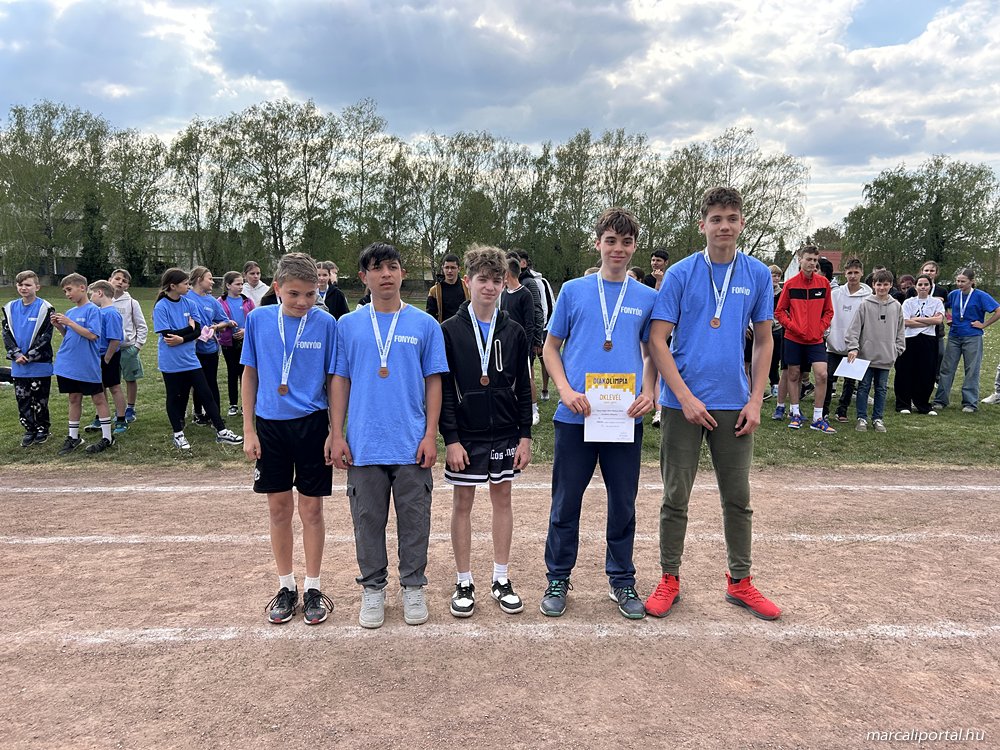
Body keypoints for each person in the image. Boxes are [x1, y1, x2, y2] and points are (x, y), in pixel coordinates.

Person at [643, 186, 780, 621]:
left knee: (738, 498)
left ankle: (740, 581)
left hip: (733, 403)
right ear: (702, 224)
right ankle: (669, 578)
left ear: (742, 223)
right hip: (681, 404)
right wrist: (682, 397)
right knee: (675, 496)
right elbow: (657, 340)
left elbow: (764, 340)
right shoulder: (680, 273)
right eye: (716, 219)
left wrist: (756, 400)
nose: (724, 226)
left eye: (732, 218)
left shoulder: (757, 274)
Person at [540, 207, 656, 621]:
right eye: (611, 241)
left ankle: (621, 579)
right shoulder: (573, 291)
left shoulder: (647, 297)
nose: (618, 249)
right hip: (577, 415)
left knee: (623, 503)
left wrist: (649, 391)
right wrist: (565, 390)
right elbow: (550, 348)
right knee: (565, 502)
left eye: (626, 242)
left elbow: (653, 353)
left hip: (624, 418)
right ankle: (558, 577)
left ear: (634, 246)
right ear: (598, 243)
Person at [329, 242, 449, 629]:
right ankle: (373, 588)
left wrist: (430, 434)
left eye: (392, 267)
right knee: (367, 521)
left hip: (411, 443)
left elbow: (434, 382)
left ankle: (413, 585)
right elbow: (340, 380)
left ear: (402, 274)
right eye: (377, 268)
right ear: (363, 277)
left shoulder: (425, 325)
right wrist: (336, 433)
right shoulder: (348, 325)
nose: (386, 274)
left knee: (415, 521)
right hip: (364, 444)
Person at [241, 252, 339, 625]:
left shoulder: (326, 323)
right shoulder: (258, 319)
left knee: (311, 510)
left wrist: (334, 431)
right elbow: (249, 374)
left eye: (310, 294)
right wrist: (249, 429)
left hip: (312, 426)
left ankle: (313, 587)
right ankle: (286, 586)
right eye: (294, 293)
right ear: (278, 287)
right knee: (278, 509)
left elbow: (332, 380)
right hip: (270, 426)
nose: (302, 302)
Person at [440, 245, 533, 618]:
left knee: (503, 499)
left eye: (497, 280)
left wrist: (525, 436)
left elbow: (524, 386)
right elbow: (445, 390)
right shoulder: (449, 331)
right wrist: (451, 439)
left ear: (504, 282)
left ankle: (501, 578)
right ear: (468, 281)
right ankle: (464, 581)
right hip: (466, 434)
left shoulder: (514, 331)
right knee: (462, 504)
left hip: (505, 432)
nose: (490, 287)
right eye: (483, 279)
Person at [152, 268, 244, 450]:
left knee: (206, 392)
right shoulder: (161, 306)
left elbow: (198, 331)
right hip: (171, 361)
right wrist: (188, 330)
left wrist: (183, 337)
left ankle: (221, 431)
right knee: (174, 396)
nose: (188, 286)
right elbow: (167, 335)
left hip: (190, 358)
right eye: (185, 284)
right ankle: (178, 434)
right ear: (173, 286)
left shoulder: (189, 303)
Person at [50, 273, 115, 455]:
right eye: (64, 291)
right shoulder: (71, 312)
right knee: (73, 398)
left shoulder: (93, 310)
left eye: (69, 290)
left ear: (82, 288)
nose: (67, 294)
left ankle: (107, 437)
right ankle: (73, 437)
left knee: (98, 398)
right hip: (69, 364)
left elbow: (92, 335)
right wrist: (60, 326)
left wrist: (69, 322)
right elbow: (70, 336)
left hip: (87, 364)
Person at [774, 245, 835, 433]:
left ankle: (818, 417)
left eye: (815, 260)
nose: (812, 263)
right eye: (809, 259)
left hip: (815, 340)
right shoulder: (791, 284)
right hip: (794, 338)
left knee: (822, 374)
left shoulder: (823, 284)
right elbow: (779, 311)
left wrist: (820, 328)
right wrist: (793, 327)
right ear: (800, 260)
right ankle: (795, 413)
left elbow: (829, 311)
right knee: (793, 375)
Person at [845, 270, 906, 432]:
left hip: (886, 356)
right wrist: (853, 347)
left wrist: (897, 350)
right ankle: (861, 418)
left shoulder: (896, 306)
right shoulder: (865, 305)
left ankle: (878, 418)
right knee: (864, 387)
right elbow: (854, 329)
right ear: (873, 285)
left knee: (881, 388)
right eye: (879, 284)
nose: (882, 288)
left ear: (891, 285)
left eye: (885, 284)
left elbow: (900, 331)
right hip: (866, 356)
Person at [933, 268, 1000, 413]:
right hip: (954, 336)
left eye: (963, 281)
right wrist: (948, 317)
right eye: (958, 281)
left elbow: (998, 310)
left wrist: (984, 324)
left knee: (971, 370)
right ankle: (940, 400)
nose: (959, 284)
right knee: (947, 368)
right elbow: (943, 306)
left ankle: (970, 403)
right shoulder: (954, 294)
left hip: (972, 336)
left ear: (972, 281)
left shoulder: (981, 296)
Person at [2, 270, 54, 447]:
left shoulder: (45, 308)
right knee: (22, 399)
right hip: (19, 365)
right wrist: (16, 354)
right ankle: (29, 429)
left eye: (28, 284)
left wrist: (30, 356)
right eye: (20, 284)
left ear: (37, 287)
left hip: (39, 364)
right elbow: (6, 334)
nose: (24, 288)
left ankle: (42, 428)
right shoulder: (10, 308)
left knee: (40, 399)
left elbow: (46, 336)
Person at [186, 267, 235, 425]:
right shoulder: (185, 297)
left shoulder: (212, 301)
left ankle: (215, 416)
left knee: (210, 382)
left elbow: (225, 321)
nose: (213, 282)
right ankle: (198, 413)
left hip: (209, 349)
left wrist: (216, 327)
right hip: (190, 349)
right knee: (195, 382)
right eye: (210, 278)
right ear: (199, 279)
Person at [823, 258, 870, 422]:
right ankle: (824, 409)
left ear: (861, 273)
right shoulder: (835, 294)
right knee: (828, 377)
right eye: (850, 273)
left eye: (856, 272)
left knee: (850, 380)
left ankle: (842, 409)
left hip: (855, 346)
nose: (853, 276)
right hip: (834, 343)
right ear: (845, 273)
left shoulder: (868, 297)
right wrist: (828, 335)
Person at [896, 274, 945, 415]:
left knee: (926, 371)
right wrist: (928, 320)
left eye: (926, 284)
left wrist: (916, 319)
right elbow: (905, 322)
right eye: (920, 284)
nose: (923, 287)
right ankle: (903, 404)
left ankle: (922, 404)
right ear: (915, 287)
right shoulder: (908, 302)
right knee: (905, 371)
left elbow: (938, 321)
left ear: (930, 286)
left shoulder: (936, 303)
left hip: (928, 339)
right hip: (910, 339)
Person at [84, 280, 128, 437]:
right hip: (97, 356)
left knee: (114, 387)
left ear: (100, 293)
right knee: (99, 388)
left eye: (91, 295)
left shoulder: (111, 313)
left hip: (109, 355)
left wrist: (107, 359)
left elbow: (115, 339)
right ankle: (101, 417)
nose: (90, 298)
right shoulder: (99, 311)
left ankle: (121, 419)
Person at [502, 255, 539, 426]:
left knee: (527, 377)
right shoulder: (504, 294)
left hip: (522, 345)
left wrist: (528, 346)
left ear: (508, 273)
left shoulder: (525, 294)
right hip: (506, 344)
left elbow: (530, 324)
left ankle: (534, 409)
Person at [109, 269, 147, 424]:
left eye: (124, 281)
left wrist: (137, 347)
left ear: (128, 285)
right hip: (109, 350)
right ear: (110, 280)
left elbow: (141, 326)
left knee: (130, 379)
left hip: (128, 349)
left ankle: (130, 408)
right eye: (117, 279)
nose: (120, 282)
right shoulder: (103, 301)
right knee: (112, 382)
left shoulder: (132, 303)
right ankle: (117, 409)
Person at [518, 252, 556, 402]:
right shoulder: (515, 280)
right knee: (530, 361)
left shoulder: (539, 281)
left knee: (543, 358)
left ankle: (545, 389)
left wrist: (542, 330)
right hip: (527, 327)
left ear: (525, 262)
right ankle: (530, 391)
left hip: (543, 327)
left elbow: (545, 305)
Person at [218, 271, 255, 416]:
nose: (241, 287)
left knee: (245, 373)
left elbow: (254, 321)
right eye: (237, 284)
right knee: (232, 372)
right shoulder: (220, 302)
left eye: (242, 284)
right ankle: (233, 404)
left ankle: (247, 404)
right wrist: (226, 324)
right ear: (228, 285)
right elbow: (216, 320)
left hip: (245, 341)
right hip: (228, 342)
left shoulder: (248, 301)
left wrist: (245, 331)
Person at [907, 260, 948, 379]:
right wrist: (929, 320)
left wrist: (918, 319)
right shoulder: (912, 291)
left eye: (932, 270)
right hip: (914, 331)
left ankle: (936, 376)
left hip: (936, 330)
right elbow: (908, 314)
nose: (929, 272)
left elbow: (941, 314)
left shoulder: (942, 291)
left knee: (939, 354)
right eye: (926, 270)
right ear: (921, 271)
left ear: (936, 273)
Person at [426, 253, 470, 323]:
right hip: (443, 328)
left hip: (464, 327)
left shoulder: (468, 287)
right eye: (447, 267)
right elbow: (430, 316)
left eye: (453, 268)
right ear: (442, 268)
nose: (449, 271)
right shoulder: (434, 291)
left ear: (459, 269)